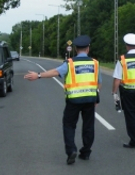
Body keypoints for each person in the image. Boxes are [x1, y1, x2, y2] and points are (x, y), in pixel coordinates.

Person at [25, 35, 100, 165]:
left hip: (73, 100)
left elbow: (55, 72)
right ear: (88, 49)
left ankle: (71, 151)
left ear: (76, 49)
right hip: (90, 99)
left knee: (69, 126)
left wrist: (38, 75)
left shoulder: (70, 63)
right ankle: (86, 152)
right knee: (89, 126)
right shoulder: (95, 63)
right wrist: (96, 98)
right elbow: (98, 83)